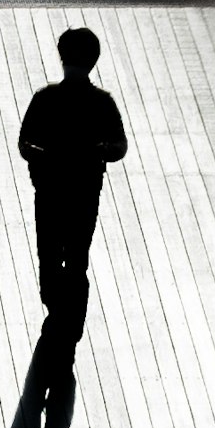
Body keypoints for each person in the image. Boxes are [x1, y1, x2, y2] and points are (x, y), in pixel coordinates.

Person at [16, 27, 128, 313]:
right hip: (85, 187)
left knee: (49, 248)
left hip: (49, 187)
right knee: (78, 248)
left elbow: (25, 142)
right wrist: (100, 150)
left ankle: (53, 299)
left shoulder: (45, 98)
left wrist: (44, 157)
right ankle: (73, 300)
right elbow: (120, 145)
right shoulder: (103, 102)